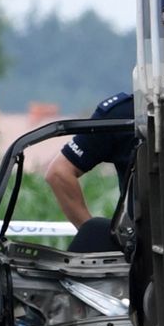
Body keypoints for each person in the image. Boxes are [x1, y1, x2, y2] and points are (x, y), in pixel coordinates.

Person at [45, 91, 135, 251]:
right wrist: (96, 236)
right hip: (144, 254)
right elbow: (59, 173)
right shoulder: (125, 112)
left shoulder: (124, 110)